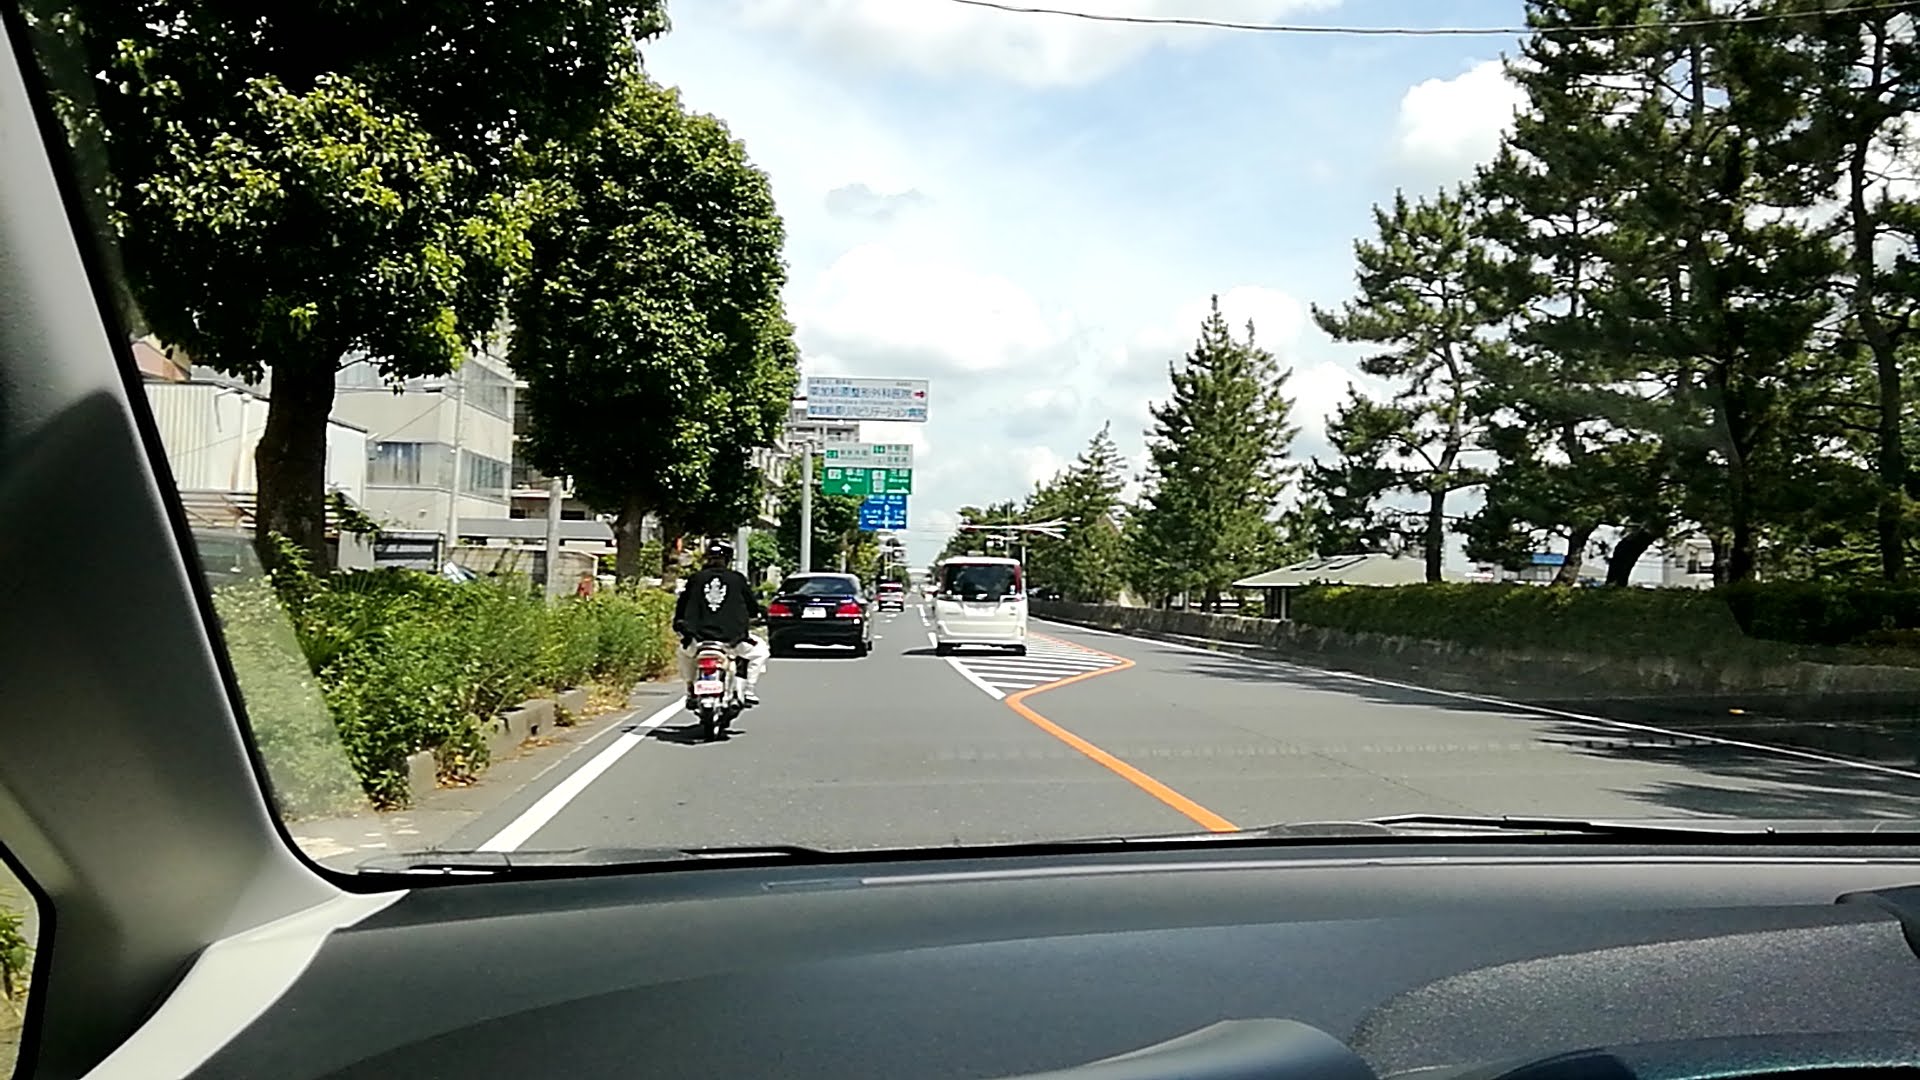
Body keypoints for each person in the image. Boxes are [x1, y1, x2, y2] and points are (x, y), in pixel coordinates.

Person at [672, 541, 768, 708]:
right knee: (759, 652)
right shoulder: (737, 579)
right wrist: (756, 616)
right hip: (732, 641)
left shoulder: (696, 579)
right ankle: (748, 690)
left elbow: (681, 607)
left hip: (698, 640)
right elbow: (752, 607)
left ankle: (690, 688)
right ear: (728, 559)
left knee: (684, 654)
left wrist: (682, 627)